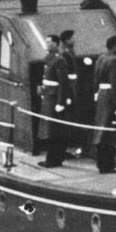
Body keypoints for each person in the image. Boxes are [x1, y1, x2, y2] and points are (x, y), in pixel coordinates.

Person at [92, 35, 116, 173]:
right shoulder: (114, 61)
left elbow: (95, 78)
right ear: (115, 46)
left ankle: (101, 163)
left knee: (101, 129)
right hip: (111, 97)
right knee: (110, 133)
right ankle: (107, 165)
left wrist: (96, 92)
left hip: (101, 95)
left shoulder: (101, 58)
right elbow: (115, 83)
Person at [37, 35, 69, 167]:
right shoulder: (49, 58)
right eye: (46, 42)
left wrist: (60, 102)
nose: (47, 44)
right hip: (48, 96)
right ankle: (54, 157)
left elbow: (63, 82)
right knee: (50, 130)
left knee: (53, 131)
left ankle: (53, 159)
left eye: (49, 42)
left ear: (56, 44)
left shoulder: (59, 60)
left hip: (54, 98)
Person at [60, 29, 81, 154]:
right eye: (72, 38)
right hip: (69, 90)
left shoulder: (69, 51)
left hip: (72, 88)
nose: (74, 40)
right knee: (68, 117)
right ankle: (66, 147)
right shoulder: (65, 53)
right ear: (67, 40)